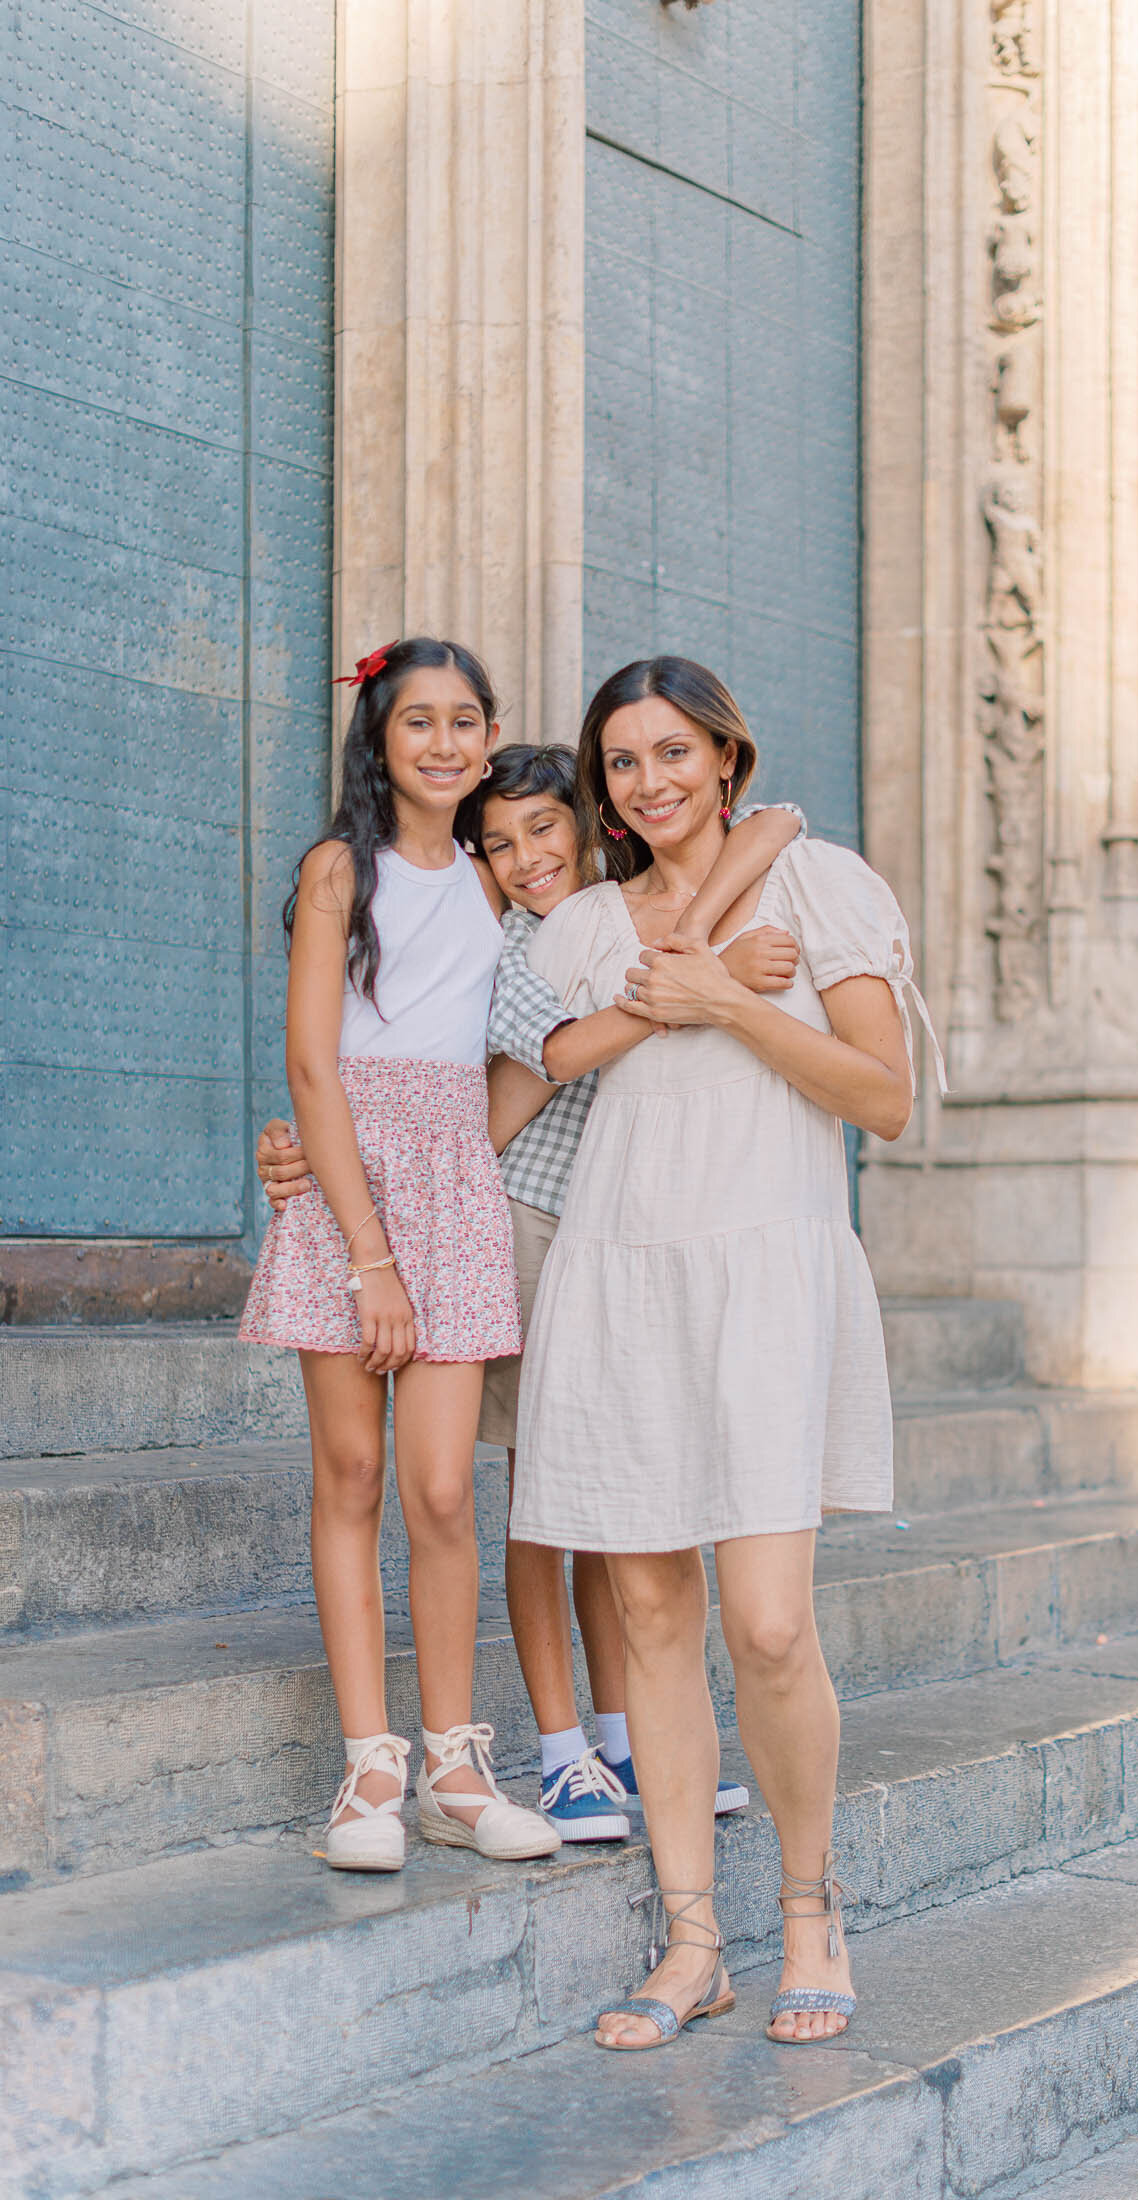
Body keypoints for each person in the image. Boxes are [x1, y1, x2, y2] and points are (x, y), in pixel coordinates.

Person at [256, 742, 804, 1841]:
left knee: (620, 1495)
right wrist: (703, 986)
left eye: (543, 829)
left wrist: (697, 954)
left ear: (590, 823)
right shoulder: (506, 942)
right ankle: (557, 1751)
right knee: (536, 1493)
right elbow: (527, 1068)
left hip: (633, 1218)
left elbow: (777, 817)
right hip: (512, 1220)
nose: (522, 855)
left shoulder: (630, 907)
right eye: (497, 843)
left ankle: (625, 1738)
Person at [510, 656, 931, 2050]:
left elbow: (884, 1096)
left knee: (765, 1619)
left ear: (726, 756)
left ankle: (810, 1910)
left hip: (766, 1278)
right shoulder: (580, 930)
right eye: (623, 761)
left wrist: (740, 1004)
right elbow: (517, 1089)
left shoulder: (820, 889)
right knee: (649, 1624)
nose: (650, 780)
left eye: (673, 751)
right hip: (621, 1283)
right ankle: (692, 1940)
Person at [238, 636, 557, 1874]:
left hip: (455, 1180)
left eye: (464, 721)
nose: (443, 743)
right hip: (346, 1186)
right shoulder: (338, 871)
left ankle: (453, 1766)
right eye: (417, 721)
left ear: (488, 738)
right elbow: (313, 1064)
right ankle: (367, 1765)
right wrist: (366, 1251)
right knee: (354, 1472)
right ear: (379, 737)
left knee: (439, 1487)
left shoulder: (495, 875)